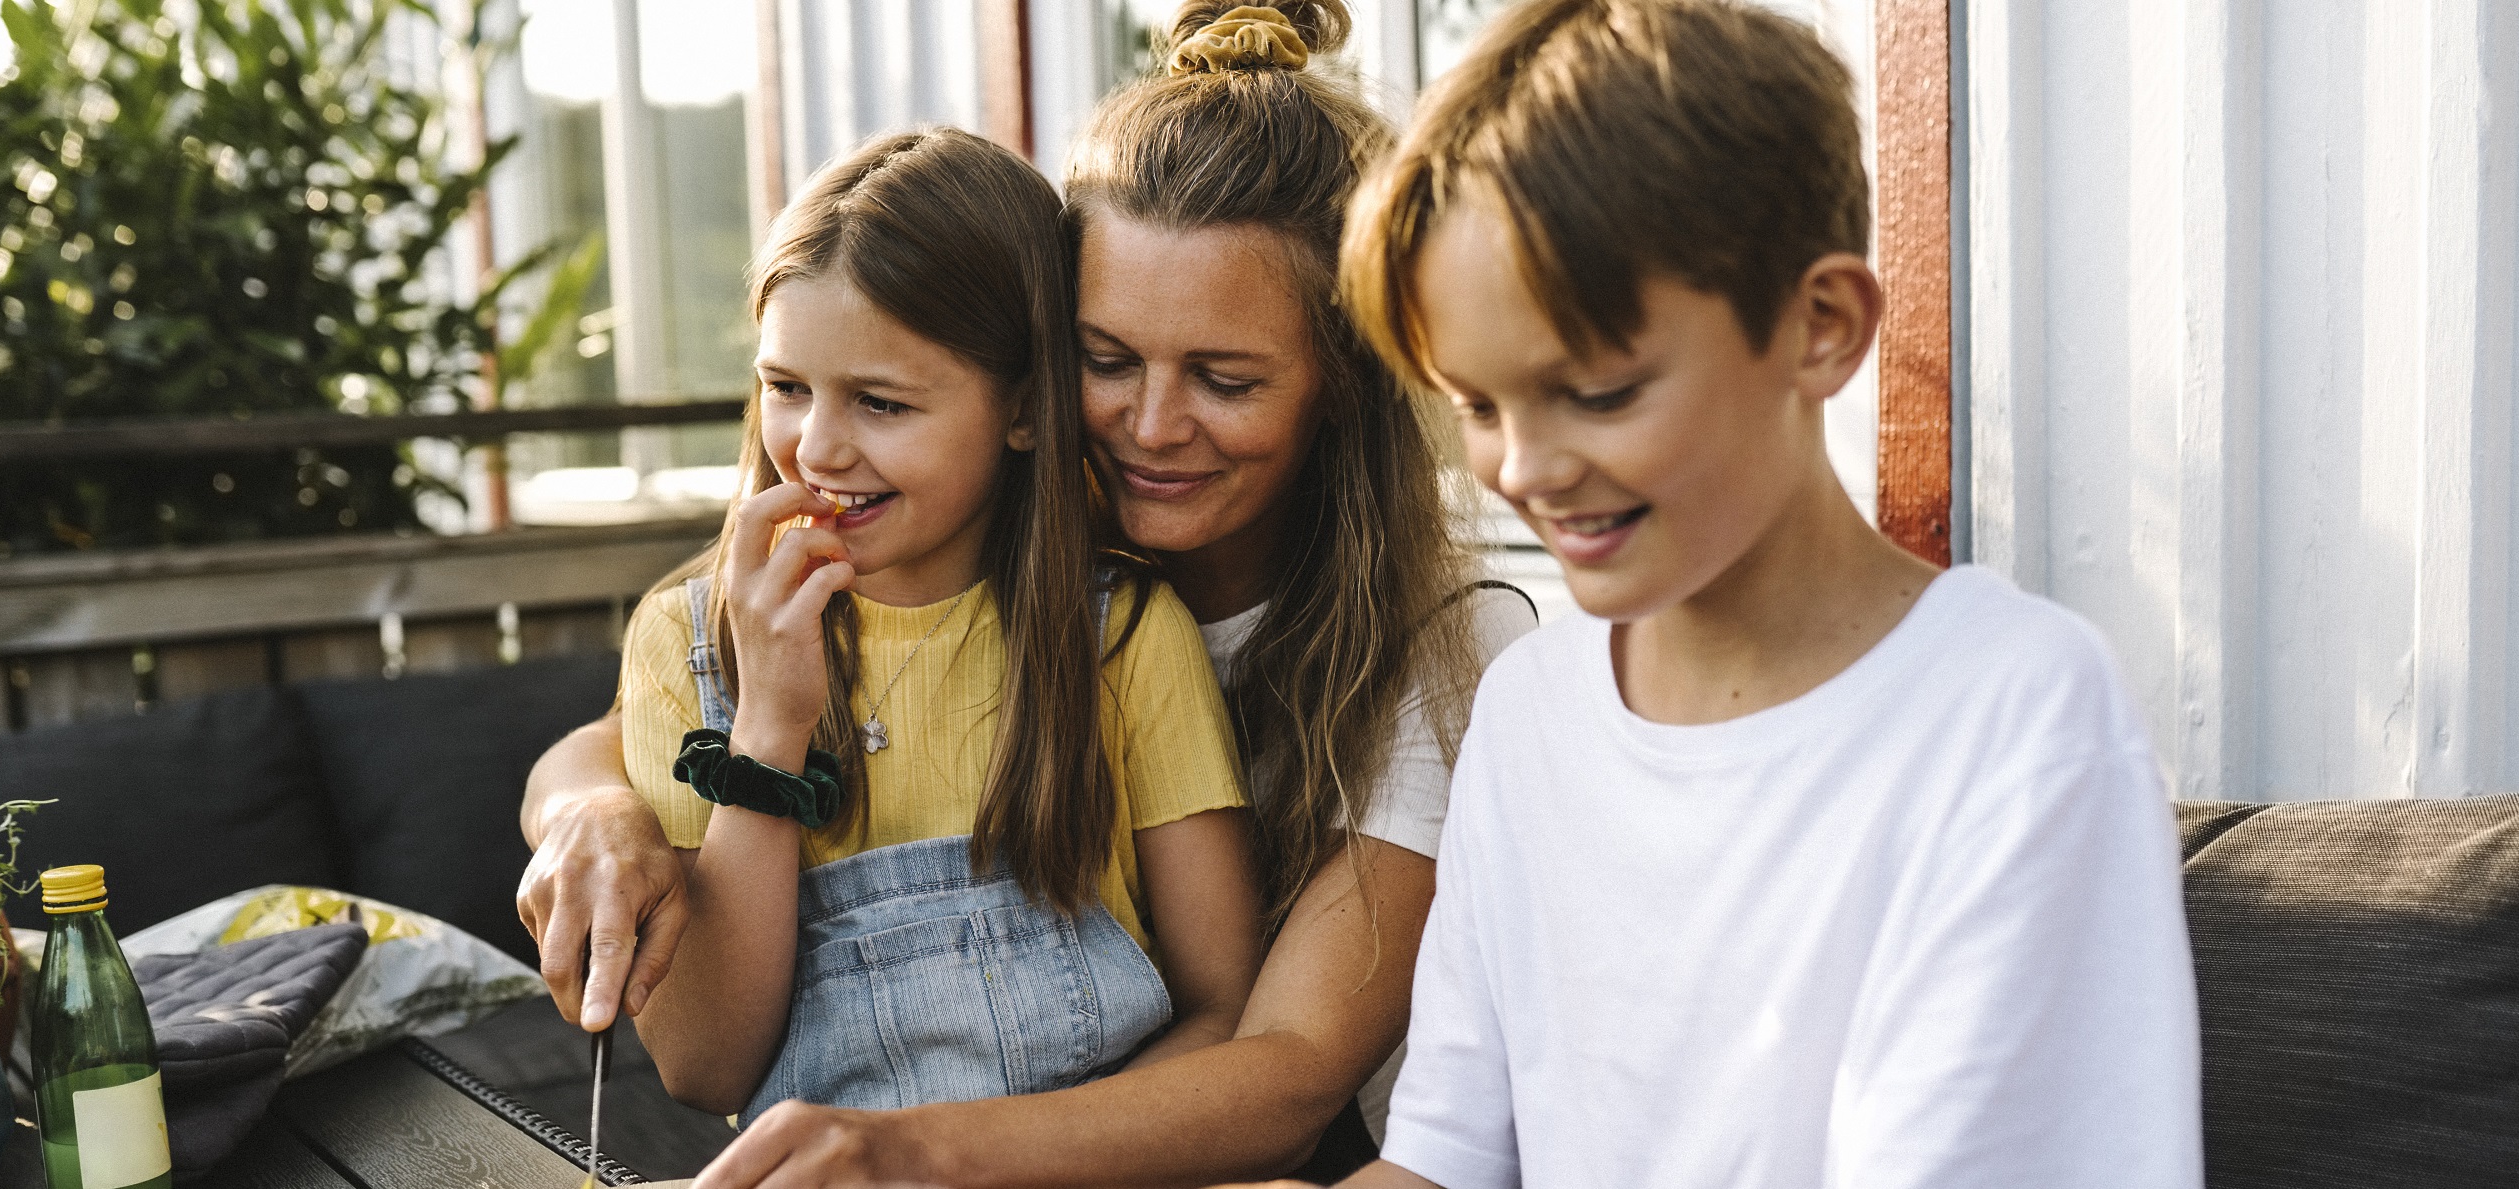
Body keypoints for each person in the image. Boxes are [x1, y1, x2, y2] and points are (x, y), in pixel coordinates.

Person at [518, 2, 1536, 1183]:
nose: (1152, 428)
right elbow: (648, 722)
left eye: (1224, 377)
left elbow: (1289, 1069)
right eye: (1106, 361)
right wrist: (595, 811)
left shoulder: (1435, 644)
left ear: (1345, 383)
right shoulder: (981, 549)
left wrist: (899, 1153)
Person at [1268, 0, 2203, 1185]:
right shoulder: (1530, 711)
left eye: (1599, 393)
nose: (1528, 470)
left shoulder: (2013, 718)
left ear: (1822, 327)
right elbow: (1449, 1155)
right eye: (1481, 406)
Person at [606, 126, 1265, 1121]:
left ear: (1025, 410)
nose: (817, 449)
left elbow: (1224, 1009)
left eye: (881, 402)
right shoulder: (685, 644)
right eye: (786, 388)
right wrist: (770, 731)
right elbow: (705, 1066)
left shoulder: (1123, 637)